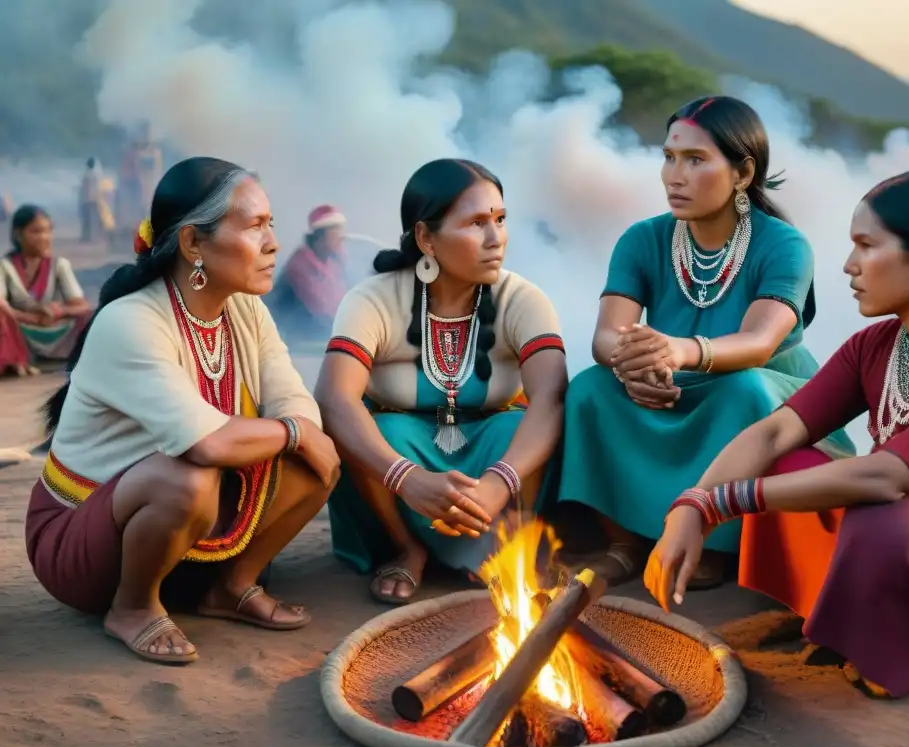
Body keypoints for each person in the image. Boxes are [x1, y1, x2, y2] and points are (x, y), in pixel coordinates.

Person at [646, 168, 909, 698]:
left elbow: (888, 475)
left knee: (882, 517)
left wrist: (726, 502)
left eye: (865, 246)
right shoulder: (874, 345)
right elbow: (775, 433)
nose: (848, 266)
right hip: (907, 519)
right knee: (787, 468)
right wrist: (691, 505)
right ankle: (852, 616)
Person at [25, 157, 341, 666]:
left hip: (183, 526)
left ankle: (231, 586)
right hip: (79, 537)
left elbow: (296, 403)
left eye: (271, 224)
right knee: (189, 476)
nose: (273, 242)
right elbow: (207, 444)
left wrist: (298, 431)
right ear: (193, 243)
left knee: (317, 452)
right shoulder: (130, 321)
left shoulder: (245, 309)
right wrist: (292, 432)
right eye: (256, 226)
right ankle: (132, 608)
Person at [558, 96, 854, 588]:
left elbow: (759, 343)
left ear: (742, 173)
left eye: (695, 160)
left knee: (746, 391)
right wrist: (636, 368)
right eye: (669, 157)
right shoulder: (644, 239)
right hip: (669, 381)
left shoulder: (783, 245)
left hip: (758, 386)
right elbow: (608, 334)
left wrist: (678, 351)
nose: (675, 175)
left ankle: (715, 543)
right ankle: (624, 541)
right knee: (590, 388)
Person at [315, 158, 567, 604]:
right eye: (475, 223)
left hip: (493, 455)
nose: (496, 240)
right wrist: (406, 477)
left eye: (500, 220)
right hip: (399, 465)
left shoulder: (522, 298)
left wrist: (498, 482)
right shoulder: (373, 298)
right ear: (426, 238)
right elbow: (335, 398)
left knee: (521, 425)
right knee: (379, 428)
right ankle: (405, 548)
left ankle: (509, 549)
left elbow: (549, 396)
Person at [0, 205, 93, 360]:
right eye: (36, 232)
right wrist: (31, 318)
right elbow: (2, 306)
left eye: (48, 231)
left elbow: (81, 305)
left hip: (56, 330)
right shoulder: (5, 266)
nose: (45, 237)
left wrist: (59, 310)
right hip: (20, 331)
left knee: (94, 316)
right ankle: (17, 360)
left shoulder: (59, 265)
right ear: (18, 234)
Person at [268, 204, 352, 342]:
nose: (342, 237)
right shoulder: (301, 266)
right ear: (320, 237)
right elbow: (324, 315)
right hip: (298, 345)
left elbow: (343, 304)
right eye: (336, 230)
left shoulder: (331, 263)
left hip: (315, 339)